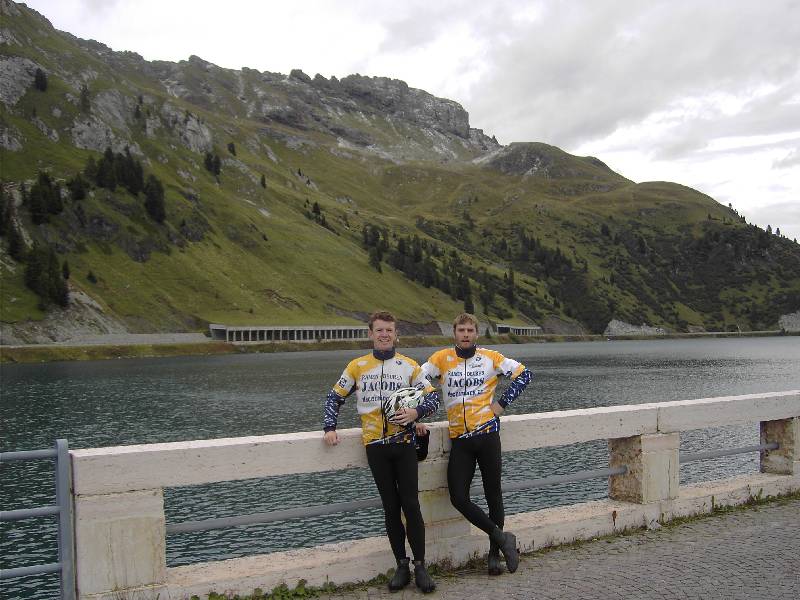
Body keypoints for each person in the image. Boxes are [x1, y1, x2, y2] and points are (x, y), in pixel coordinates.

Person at [323, 311, 439, 594]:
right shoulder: (357, 366)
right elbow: (334, 397)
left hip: (403, 444)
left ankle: (421, 566)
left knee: (411, 504)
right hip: (375, 445)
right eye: (379, 330)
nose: (384, 334)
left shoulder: (409, 366)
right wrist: (329, 427)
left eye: (389, 330)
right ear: (370, 334)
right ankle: (401, 565)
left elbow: (434, 396)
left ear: (396, 334)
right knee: (390, 507)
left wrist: (416, 412)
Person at [422, 313, 533, 576]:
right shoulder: (441, 359)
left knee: (493, 494)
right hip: (460, 438)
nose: (466, 334)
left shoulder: (491, 357)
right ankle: (503, 538)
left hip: (487, 435)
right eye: (461, 330)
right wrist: (422, 407)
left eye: (470, 330)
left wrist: (501, 404)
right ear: (454, 333)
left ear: (476, 333)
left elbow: (525, 375)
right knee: (458, 497)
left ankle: (494, 556)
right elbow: (417, 378)